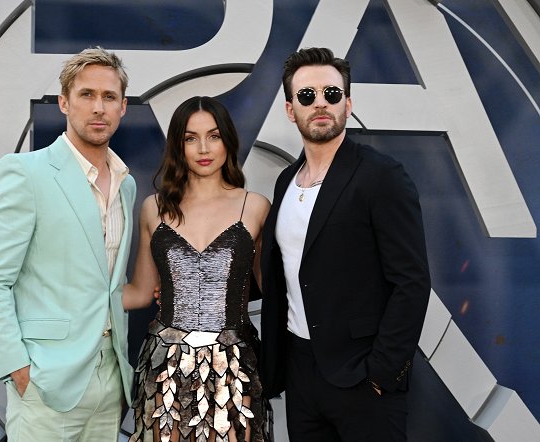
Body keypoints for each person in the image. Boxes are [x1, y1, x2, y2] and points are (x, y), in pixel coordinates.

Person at [260, 47, 431, 441]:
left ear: (348, 103)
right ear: (290, 110)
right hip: (301, 373)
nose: (320, 103)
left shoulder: (381, 176)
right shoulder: (285, 181)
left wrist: (381, 373)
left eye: (331, 94)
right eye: (307, 96)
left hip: (363, 378)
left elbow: (412, 281)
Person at [0, 46, 135, 442]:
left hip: (111, 377)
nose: (98, 108)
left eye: (109, 97)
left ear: (122, 107)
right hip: (46, 382)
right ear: (64, 102)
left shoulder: (126, 184)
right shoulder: (25, 173)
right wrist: (17, 368)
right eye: (86, 95)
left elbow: (109, 284)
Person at [122, 96, 271, 442]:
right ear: (178, 145)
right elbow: (141, 292)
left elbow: (278, 295)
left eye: (214, 136)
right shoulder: (153, 208)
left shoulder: (256, 207)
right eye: (190, 138)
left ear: (228, 141)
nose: (203, 148)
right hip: (165, 366)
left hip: (235, 368)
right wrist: (64, 300)